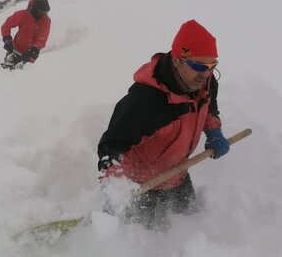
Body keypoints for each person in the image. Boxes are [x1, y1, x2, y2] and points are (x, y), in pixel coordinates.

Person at [97, 19, 230, 229]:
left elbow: (209, 108)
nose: (205, 73)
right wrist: (115, 186)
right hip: (140, 185)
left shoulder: (207, 82)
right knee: (144, 241)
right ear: (177, 60)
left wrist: (214, 131)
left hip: (177, 173)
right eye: (198, 65)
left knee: (192, 224)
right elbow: (112, 145)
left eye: (212, 65)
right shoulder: (146, 101)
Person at [0, 0, 51, 69]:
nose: (44, 14)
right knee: (6, 72)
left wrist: (34, 50)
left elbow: (42, 39)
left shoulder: (46, 21)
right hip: (15, 50)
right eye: (41, 11)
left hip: (30, 55)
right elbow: (6, 26)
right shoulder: (22, 15)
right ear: (36, 8)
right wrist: (7, 40)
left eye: (45, 12)